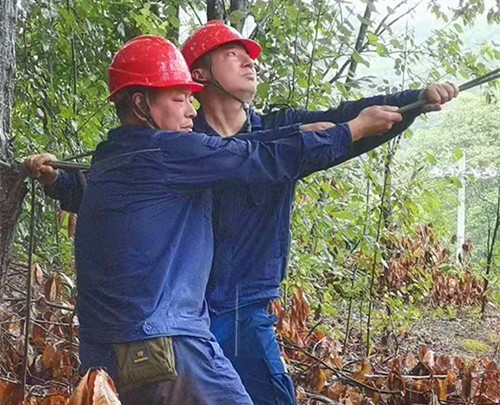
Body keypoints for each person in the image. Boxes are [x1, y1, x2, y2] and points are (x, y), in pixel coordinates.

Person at [25, 22, 459, 405]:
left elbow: (327, 127)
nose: (250, 62)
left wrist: (411, 102)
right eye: (233, 55)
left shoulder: (245, 134)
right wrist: (345, 131)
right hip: (173, 328)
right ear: (197, 75)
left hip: (227, 310)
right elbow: (259, 156)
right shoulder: (176, 144)